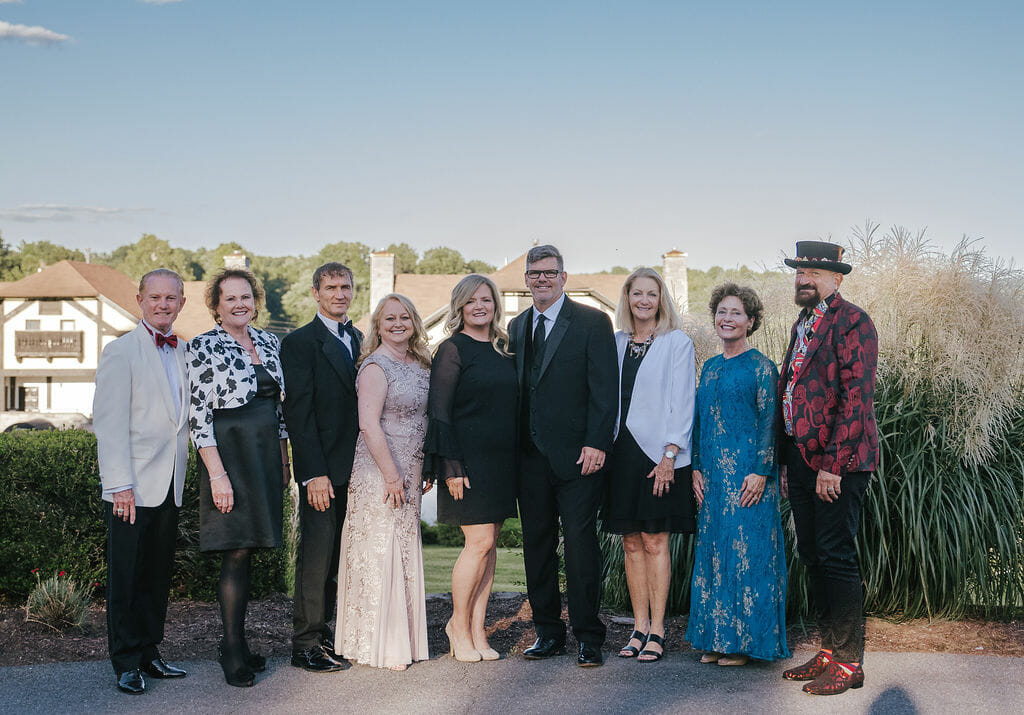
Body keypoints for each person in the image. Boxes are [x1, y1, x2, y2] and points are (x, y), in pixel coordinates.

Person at [507, 244, 618, 667]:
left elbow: (606, 391)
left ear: (563, 277)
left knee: (579, 547)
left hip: (578, 458)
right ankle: (548, 633)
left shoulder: (592, 322)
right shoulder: (516, 327)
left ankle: (589, 636)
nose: (542, 279)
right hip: (528, 459)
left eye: (549, 273)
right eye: (534, 273)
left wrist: (597, 443)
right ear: (527, 279)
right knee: (536, 547)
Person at [777, 241, 879, 695]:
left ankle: (850, 661)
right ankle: (829, 649)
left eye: (814, 272)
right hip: (801, 461)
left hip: (840, 462)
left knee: (836, 556)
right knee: (814, 556)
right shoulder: (804, 323)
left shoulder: (852, 320)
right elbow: (792, 394)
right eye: (800, 270)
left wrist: (833, 466)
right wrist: (784, 462)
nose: (804, 278)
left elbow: (857, 398)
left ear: (836, 278)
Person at [186, 268, 290, 688]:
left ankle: (240, 644)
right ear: (216, 306)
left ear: (256, 300)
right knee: (235, 551)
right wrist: (217, 476)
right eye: (230, 299)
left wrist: (284, 462)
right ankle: (231, 649)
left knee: (249, 550)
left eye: (245, 297)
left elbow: (279, 411)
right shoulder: (203, 346)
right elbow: (198, 418)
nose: (239, 304)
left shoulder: (269, 341)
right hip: (228, 458)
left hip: (264, 455)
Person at [94, 269, 190, 694]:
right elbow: (109, 424)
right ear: (140, 300)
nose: (163, 305)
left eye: (171, 298)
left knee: (155, 575)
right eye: (155, 297)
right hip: (130, 486)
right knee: (127, 577)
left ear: (182, 303)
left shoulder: (187, 351)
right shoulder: (120, 351)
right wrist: (119, 485)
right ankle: (126, 661)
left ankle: (150, 653)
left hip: (170, 481)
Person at [685, 283, 790, 667]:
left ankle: (744, 643)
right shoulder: (710, 368)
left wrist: (761, 472)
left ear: (750, 321)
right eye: (722, 312)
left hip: (748, 476)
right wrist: (695, 466)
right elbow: (699, 422)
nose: (727, 319)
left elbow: (770, 422)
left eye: (736, 313)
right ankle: (715, 639)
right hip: (712, 477)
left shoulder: (762, 367)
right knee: (716, 554)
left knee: (749, 556)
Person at [602, 267, 696, 663]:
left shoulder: (677, 343)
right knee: (630, 542)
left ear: (661, 300)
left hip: (660, 454)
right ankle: (638, 625)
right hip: (620, 453)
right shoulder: (615, 342)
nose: (644, 301)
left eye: (651, 294)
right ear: (627, 298)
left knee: (656, 541)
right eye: (637, 293)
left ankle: (658, 629)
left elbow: (683, 402)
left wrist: (670, 455)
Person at [334, 294, 432, 671]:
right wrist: (392, 475)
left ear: (414, 322)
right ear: (377, 325)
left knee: (403, 547)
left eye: (404, 316)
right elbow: (368, 424)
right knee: (380, 548)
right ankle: (377, 643)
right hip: (379, 470)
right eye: (389, 318)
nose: (397, 323)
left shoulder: (422, 364)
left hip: (412, 467)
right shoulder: (375, 367)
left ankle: (402, 638)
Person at [423, 275, 518, 663]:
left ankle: (478, 630)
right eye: (471, 301)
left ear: (495, 304)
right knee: (477, 543)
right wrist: (450, 467)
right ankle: (457, 626)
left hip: (501, 463)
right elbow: (440, 414)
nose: (480, 306)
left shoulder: (503, 350)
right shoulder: (451, 349)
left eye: (486, 299)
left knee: (489, 547)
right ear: (459, 307)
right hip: (465, 464)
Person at [281, 263, 361, 674]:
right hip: (322, 472)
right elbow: (299, 413)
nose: (339, 294)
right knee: (315, 557)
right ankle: (305, 643)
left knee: (339, 558)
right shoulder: (299, 343)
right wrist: (312, 473)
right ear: (315, 292)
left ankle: (328, 633)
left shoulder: (360, 339)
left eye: (345, 287)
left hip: (358, 470)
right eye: (330, 287)